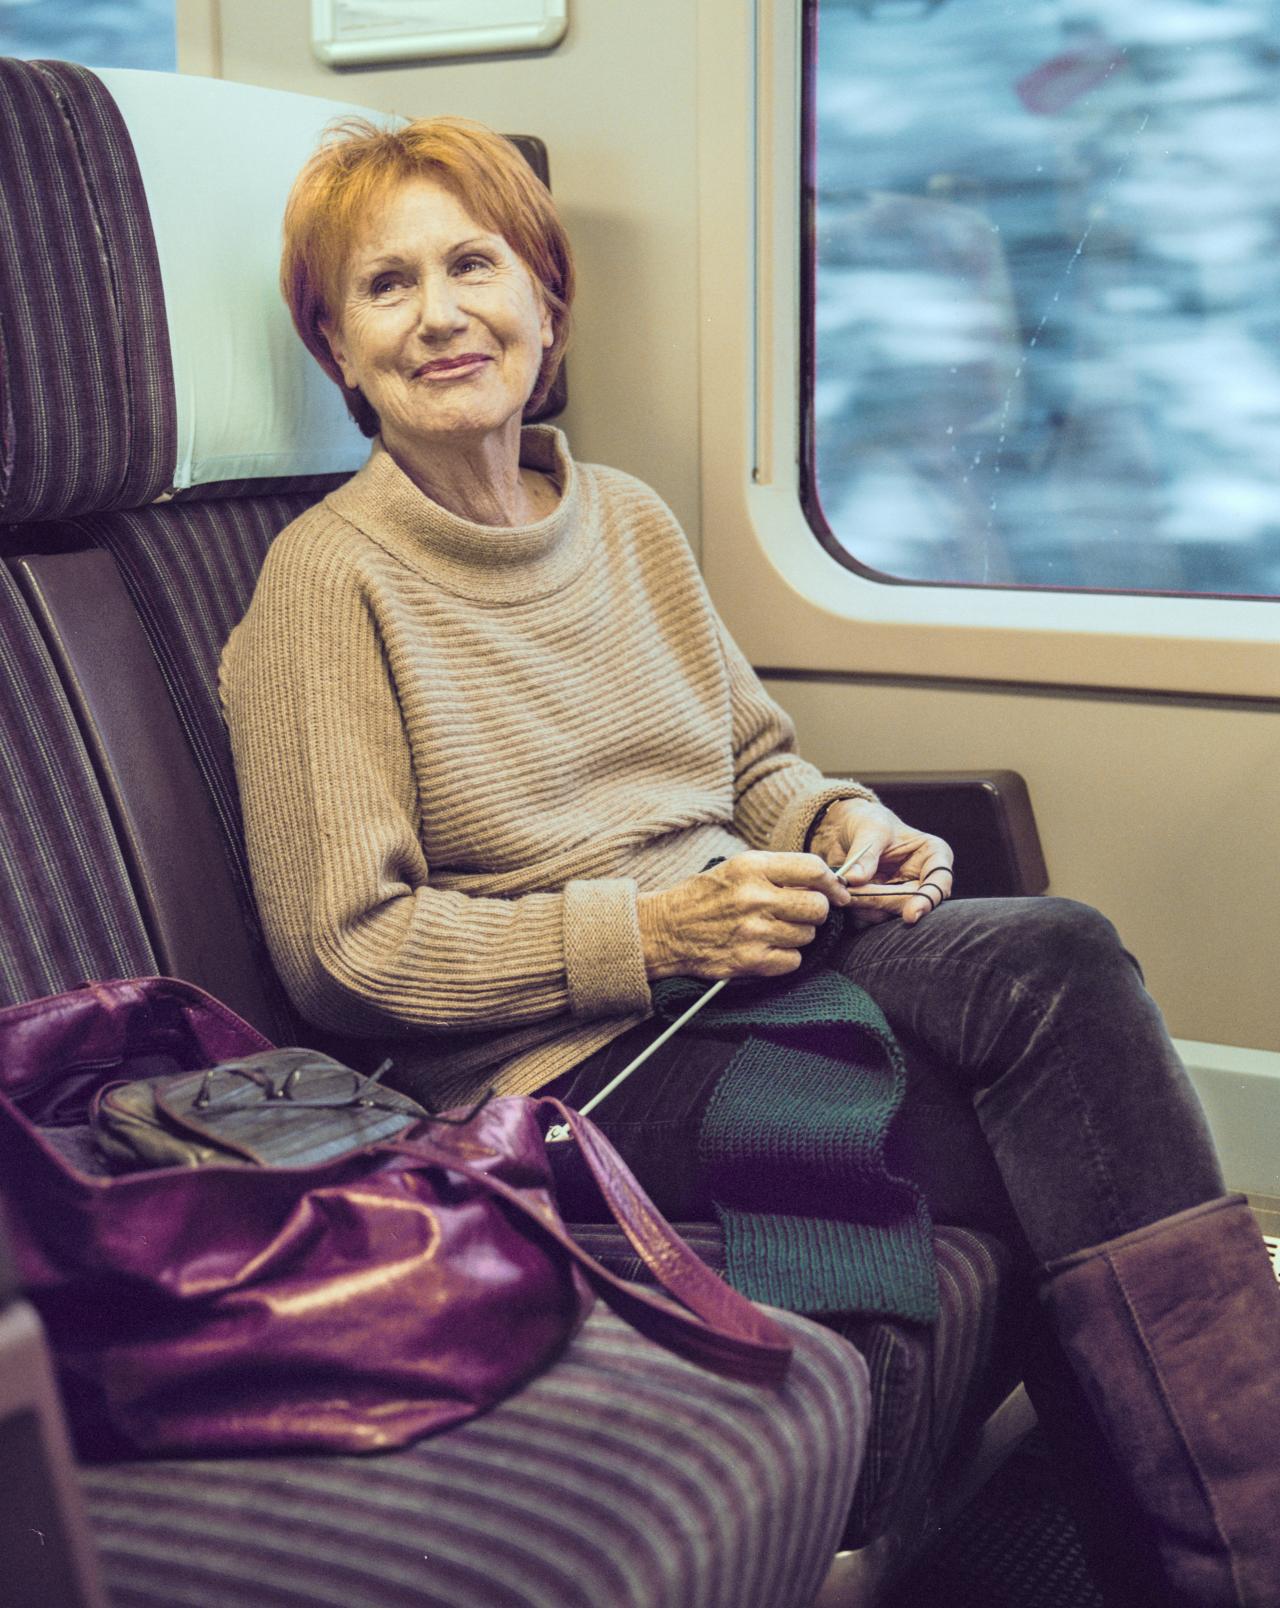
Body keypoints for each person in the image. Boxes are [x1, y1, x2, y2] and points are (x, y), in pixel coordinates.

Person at [219, 114, 1280, 1607]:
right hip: (574, 1064)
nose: (444, 312)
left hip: (757, 957)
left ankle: (1224, 1560)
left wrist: (839, 824)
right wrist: (651, 933)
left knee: (1059, 951)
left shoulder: (630, 520)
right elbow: (347, 949)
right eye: (386, 287)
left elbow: (755, 766)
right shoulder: (327, 584)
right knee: (1038, 1145)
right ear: (336, 347)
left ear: (548, 297)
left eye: (475, 263)